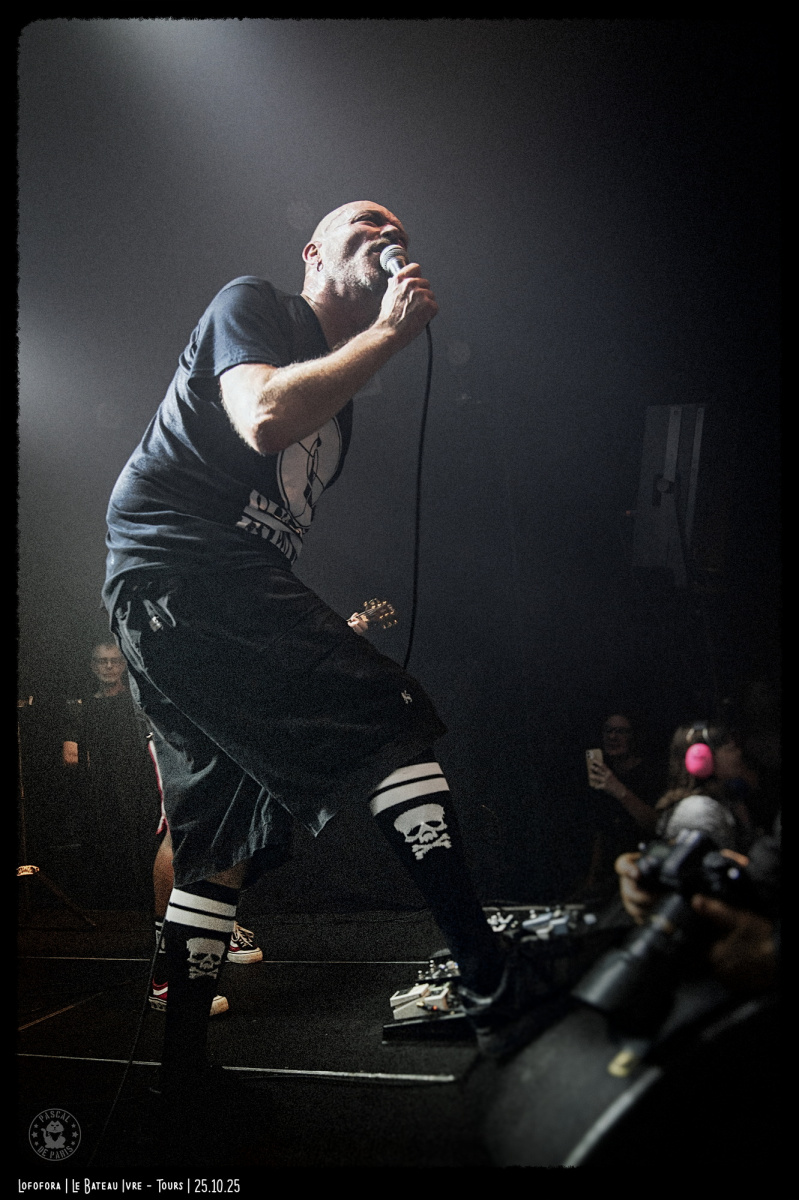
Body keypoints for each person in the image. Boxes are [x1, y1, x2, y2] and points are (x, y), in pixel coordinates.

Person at [103, 201, 541, 1095]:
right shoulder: (252, 304)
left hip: (175, 597)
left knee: (217, 832)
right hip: (184, 565)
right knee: (389, 717)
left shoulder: (342, 406)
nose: (387, 233)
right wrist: (389, 332)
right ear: (313, 253)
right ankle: (487, 980)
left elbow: (277, 518)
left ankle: (180, 1077)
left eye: (398, 228)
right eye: (365, 222)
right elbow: (263, 416)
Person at [63, 642, 162, 908]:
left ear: (124, 664)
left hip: (138, 791)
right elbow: (70, 755)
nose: (109, 666)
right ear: (92, 666)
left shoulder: (137, 703)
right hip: (98, 795)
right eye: (102, 661)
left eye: (115, 660)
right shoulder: (81, 707)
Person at [579, 712, 660, 901]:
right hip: (609, 872)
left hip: (642, 869)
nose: (612, 737)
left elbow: (656, 824)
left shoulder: (651, 774)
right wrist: (592, 877)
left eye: (621, 731)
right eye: (608, 731)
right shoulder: (602, 775)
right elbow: (601, 830)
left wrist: (618, 789)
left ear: (634, 737)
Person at [652, 721, 757, 853]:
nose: (738, 753)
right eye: (730, 749)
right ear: (703, 758)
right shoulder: (698, 811)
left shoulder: (727, 800)